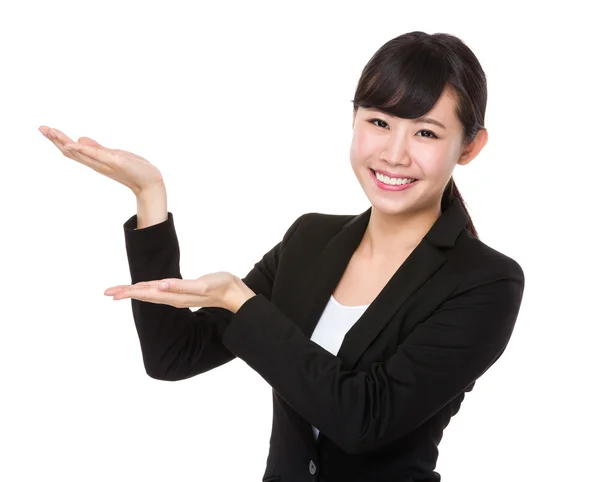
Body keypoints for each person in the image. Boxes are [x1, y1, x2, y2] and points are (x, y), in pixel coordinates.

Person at [39, 30, 525, 482]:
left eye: (426, 133)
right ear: (353, 120)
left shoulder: (485, 281)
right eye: (379, 122)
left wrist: (240, 301)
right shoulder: (310, 240)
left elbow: (362, 419)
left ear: (470, 146)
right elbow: (173, 355)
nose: (395, 154)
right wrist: (150, 196)